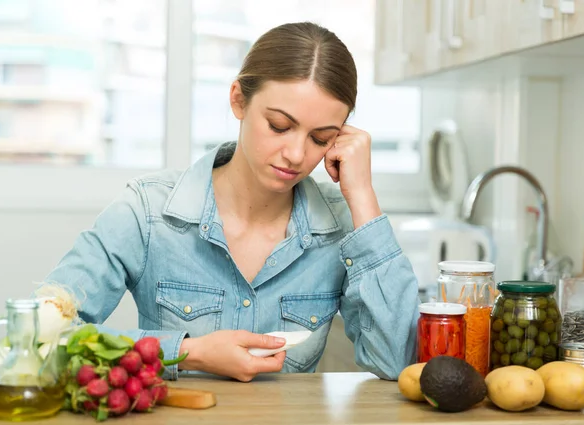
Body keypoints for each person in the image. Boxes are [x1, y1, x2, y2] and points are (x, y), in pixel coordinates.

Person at [41, 22, 420, 382]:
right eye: (279, 126)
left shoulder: (341, 227)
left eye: (321, 139)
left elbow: (394, 361)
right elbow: (42, 339)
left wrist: (363, 198)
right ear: (238, 100)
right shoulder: (147, 211)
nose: (295, 154)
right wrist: (188, 352)